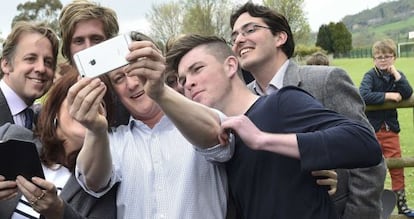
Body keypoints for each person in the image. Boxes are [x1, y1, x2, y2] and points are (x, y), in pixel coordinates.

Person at [164, 34, 382, 218]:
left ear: (231, 65)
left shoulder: (281, 103)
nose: (188, 83)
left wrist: (263, 139)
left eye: (197, 69)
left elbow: (364, 144)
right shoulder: (212, 141)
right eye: (182, 80)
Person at [228, 2, 387, 218]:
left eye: (250, 30)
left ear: (279, 37)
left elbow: (369, 164)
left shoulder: (325, 80)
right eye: (234, 35)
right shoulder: (239, 102)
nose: (239, 40)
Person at [67, 32, 230, 218]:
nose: (132, 83)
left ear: (158, 66)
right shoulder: (114, 140)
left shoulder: (198, 115)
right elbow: (94, 182)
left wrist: (159, 91)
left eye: (138, 69)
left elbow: (217, 138)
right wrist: (95, 131)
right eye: (119, 79)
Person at [0, 69, 118, 218]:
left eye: (98, 104)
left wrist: (59, 212)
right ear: (55, 109)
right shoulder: (10, 136)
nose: (86, 110)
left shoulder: (102, 183)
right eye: (77, 99)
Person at [359, 39, 414, 217]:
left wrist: (396, 75)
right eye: (379, 57)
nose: (383, 60)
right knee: (373, 170)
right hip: (373, 131)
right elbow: (363, 95)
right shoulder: (370, 76)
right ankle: (375, 205)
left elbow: (407, 92)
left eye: (387, 56)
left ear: (394, 58)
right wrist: (388, 95)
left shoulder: (396, 75)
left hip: (391, 131)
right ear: (373, 59)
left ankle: (402, 205)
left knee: (397, 168)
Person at [59, 0, 129, 126]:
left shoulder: (130, 91)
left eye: (96, 39)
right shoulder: (57, 102)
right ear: (68, 50)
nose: (88, 48)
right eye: (79, 41)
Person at [0, 21, 59, 129]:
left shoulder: (45, 121)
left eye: (48, 62)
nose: (41, 68)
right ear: (6, 65)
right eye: (30, 59)